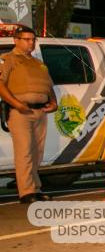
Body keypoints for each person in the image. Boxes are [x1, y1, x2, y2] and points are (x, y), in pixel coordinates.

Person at [0, 26, 57, 203]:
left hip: (40, 111)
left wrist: (54, 103)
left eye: (33, 39)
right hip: (20, 112)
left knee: (36, 152)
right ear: (16, 40)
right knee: (24, 151)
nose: (31, 42)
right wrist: (17, 104)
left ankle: (35, 189)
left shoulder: (38, 63)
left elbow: (49, 87)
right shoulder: (8, 59)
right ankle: (26, 192)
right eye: (26, 39)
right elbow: (0, 85)